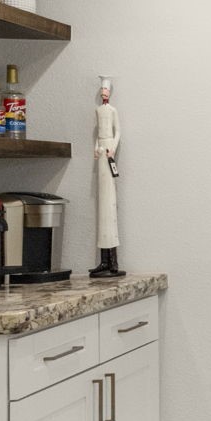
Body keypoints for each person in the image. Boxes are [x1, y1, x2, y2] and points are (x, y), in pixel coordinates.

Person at [89, 76, 124, 278]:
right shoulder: (98, 111)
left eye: (105, 91)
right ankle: (104, 262)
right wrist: (97, 148)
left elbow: (117, 131)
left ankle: (113, 262)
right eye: (102, 91)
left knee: (109, 206)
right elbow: (98, 135)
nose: (103, 94)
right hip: (102, 151)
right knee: (102, 206)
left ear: (108, 93)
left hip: (108, 148)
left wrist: (113, 148)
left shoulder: (112, 111)